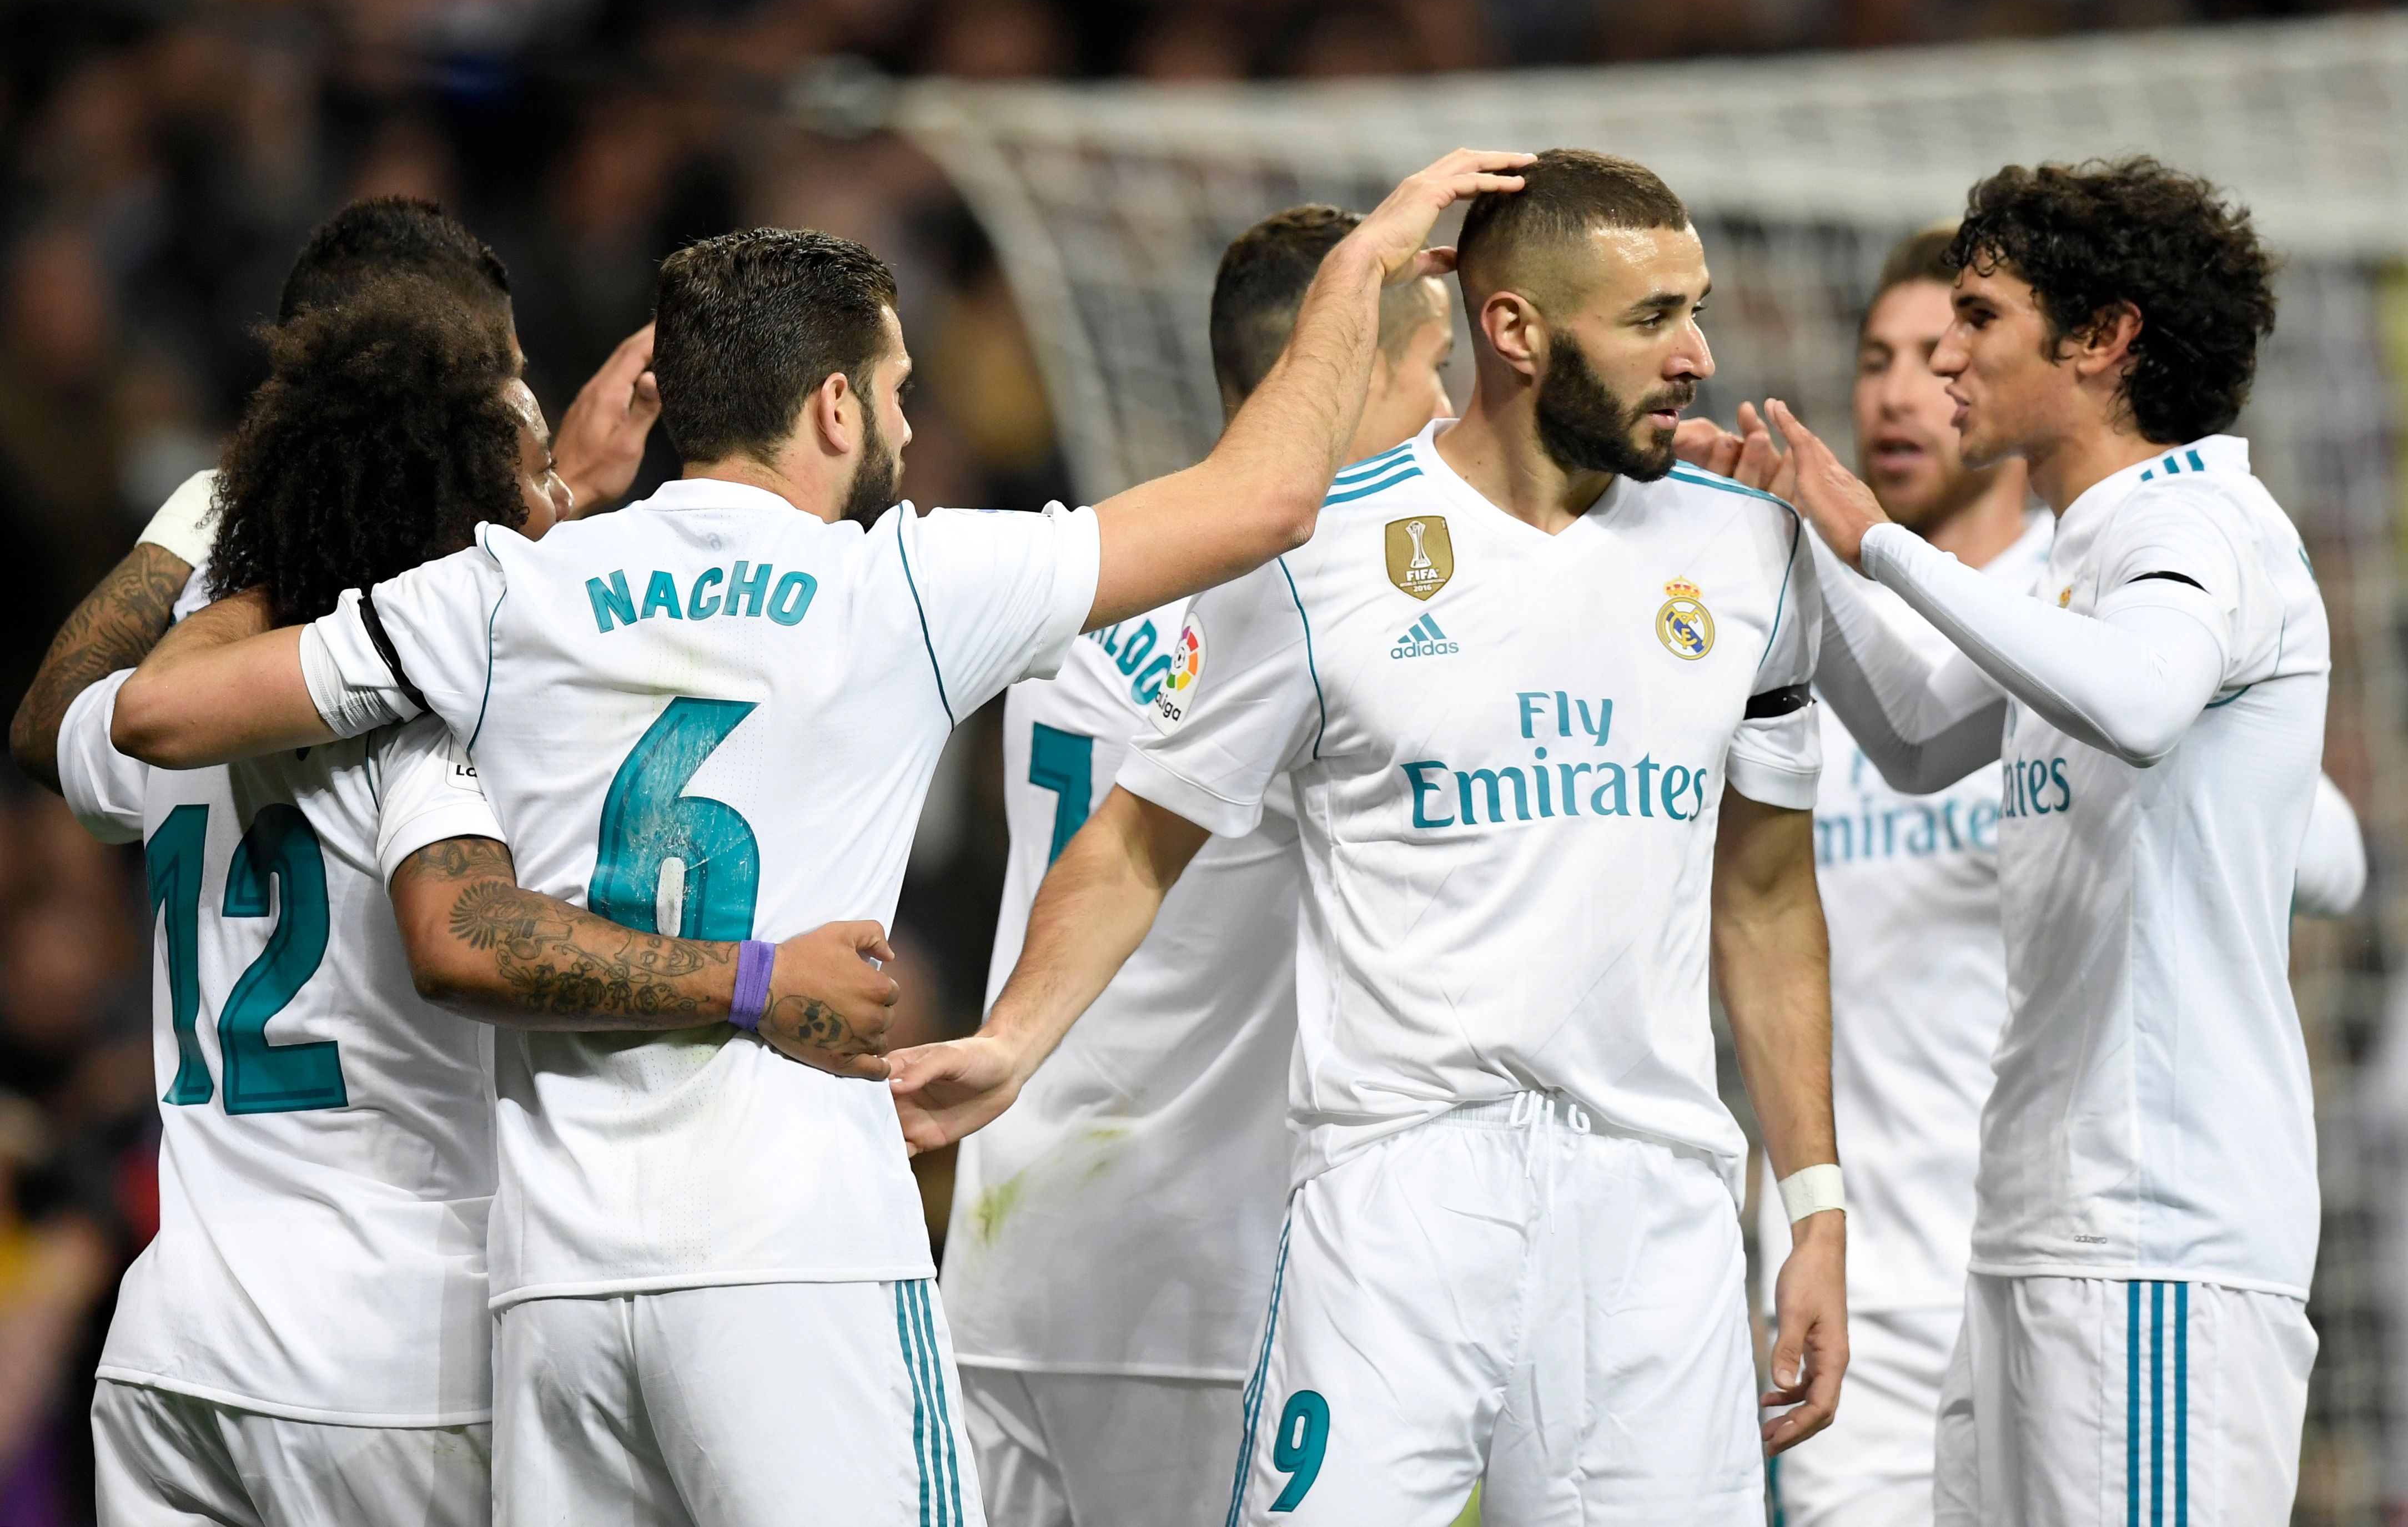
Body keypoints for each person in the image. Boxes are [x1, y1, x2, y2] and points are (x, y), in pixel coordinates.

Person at [108, 149, 1533, 1526]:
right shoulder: (901, 587)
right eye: (899, 392)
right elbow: (1269, 499)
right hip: (794, 1258)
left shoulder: (500, 592)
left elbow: (157, 716)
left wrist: (406, 511)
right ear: (836, 408)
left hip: (553, 1288)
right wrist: (1360, 269)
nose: (910, 429)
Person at [889, 147, 1848, 1525]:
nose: (1697, 353)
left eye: (1692, 307)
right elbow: (1137, 840)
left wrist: (1813, 1202)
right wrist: (1011, 1042)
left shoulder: (1746, 547)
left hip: (1658, 1203)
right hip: (1397, 1191)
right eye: (1652, 318)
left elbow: (1762, 899)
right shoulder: (1319, 553)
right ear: (1511, 331)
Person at [49, 276, 885, 1527]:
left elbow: (51, 716)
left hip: (173, 1349)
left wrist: (219, 512)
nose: (542, 506)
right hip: (390, 1355)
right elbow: (458, 930)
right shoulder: (424, 718)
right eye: (526, 474)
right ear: (450, 510)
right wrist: (754, 980)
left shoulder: (154, 725)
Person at [1748, 158, 2328, 1525]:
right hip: (2028, 1233)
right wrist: (1788, 540)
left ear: (2100, 338)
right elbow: (1907, 737)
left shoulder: (2200, 525)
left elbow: (2133, 702)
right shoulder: (2083, 549)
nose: (1943, 354)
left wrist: (1881, 547)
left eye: (1977, 317)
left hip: (2157, 1241)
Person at [943, 201, 1455, 1525]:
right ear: (1336, 369)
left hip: (1010, 1249)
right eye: (1426, 368)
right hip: (1190, 1277)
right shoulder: (1322, 610)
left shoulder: (1084, 570)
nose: (1448, 409)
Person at [8, 194, 663, 799]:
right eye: (496, 376)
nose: (514, 408)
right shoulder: (446, 653)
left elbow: (53, 732)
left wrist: (211, 509)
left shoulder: (196, 655)